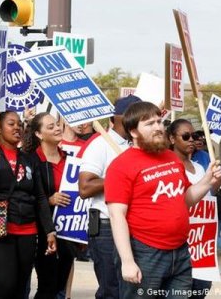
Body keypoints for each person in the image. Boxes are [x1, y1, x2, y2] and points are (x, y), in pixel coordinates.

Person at [105, 102, 221, 299]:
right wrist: (127, 261)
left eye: (159, 121)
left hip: (181, 251)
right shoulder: (121, 166)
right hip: (145, 253)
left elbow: (185, 199)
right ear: (134, 132)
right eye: (150, 124)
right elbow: (117, 215)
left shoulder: (171, 157)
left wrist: (208, 180)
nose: (158, 127)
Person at [0, 111, 56, 299]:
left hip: (27, 230)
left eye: (19, 124)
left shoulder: (29, 159)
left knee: (19, 288)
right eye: (11, 124)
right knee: (4, 284)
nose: (17, 127)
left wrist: (49, 230)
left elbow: (40, 196)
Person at [79, 94, 140, 299]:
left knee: (133, 288)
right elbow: (85, 187)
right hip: (106, 226)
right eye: (129, 116)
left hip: (135, 225)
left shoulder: (138, 146)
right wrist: (120, 176)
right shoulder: (100, 145)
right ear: (114, 120)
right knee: (111, 289)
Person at [167, 119, 221, 298]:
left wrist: (217, 180)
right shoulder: (167, 168)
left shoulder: (200, 167)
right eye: (185, 136)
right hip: (179, 242)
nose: (192, 140)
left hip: (201, 245)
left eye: (195, 136)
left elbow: (209, 194)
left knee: (200, 290)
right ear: (172, 139)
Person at [24, 112, 74, 299]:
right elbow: (25, 195)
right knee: (47, 285)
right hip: (41, 230)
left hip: (68, 231)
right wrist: (49, 200)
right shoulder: (29, 160)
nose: (57, 128)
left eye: (57, 125)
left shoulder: (70, 159)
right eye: (50, 126)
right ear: (38, 134)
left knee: (60, 284)